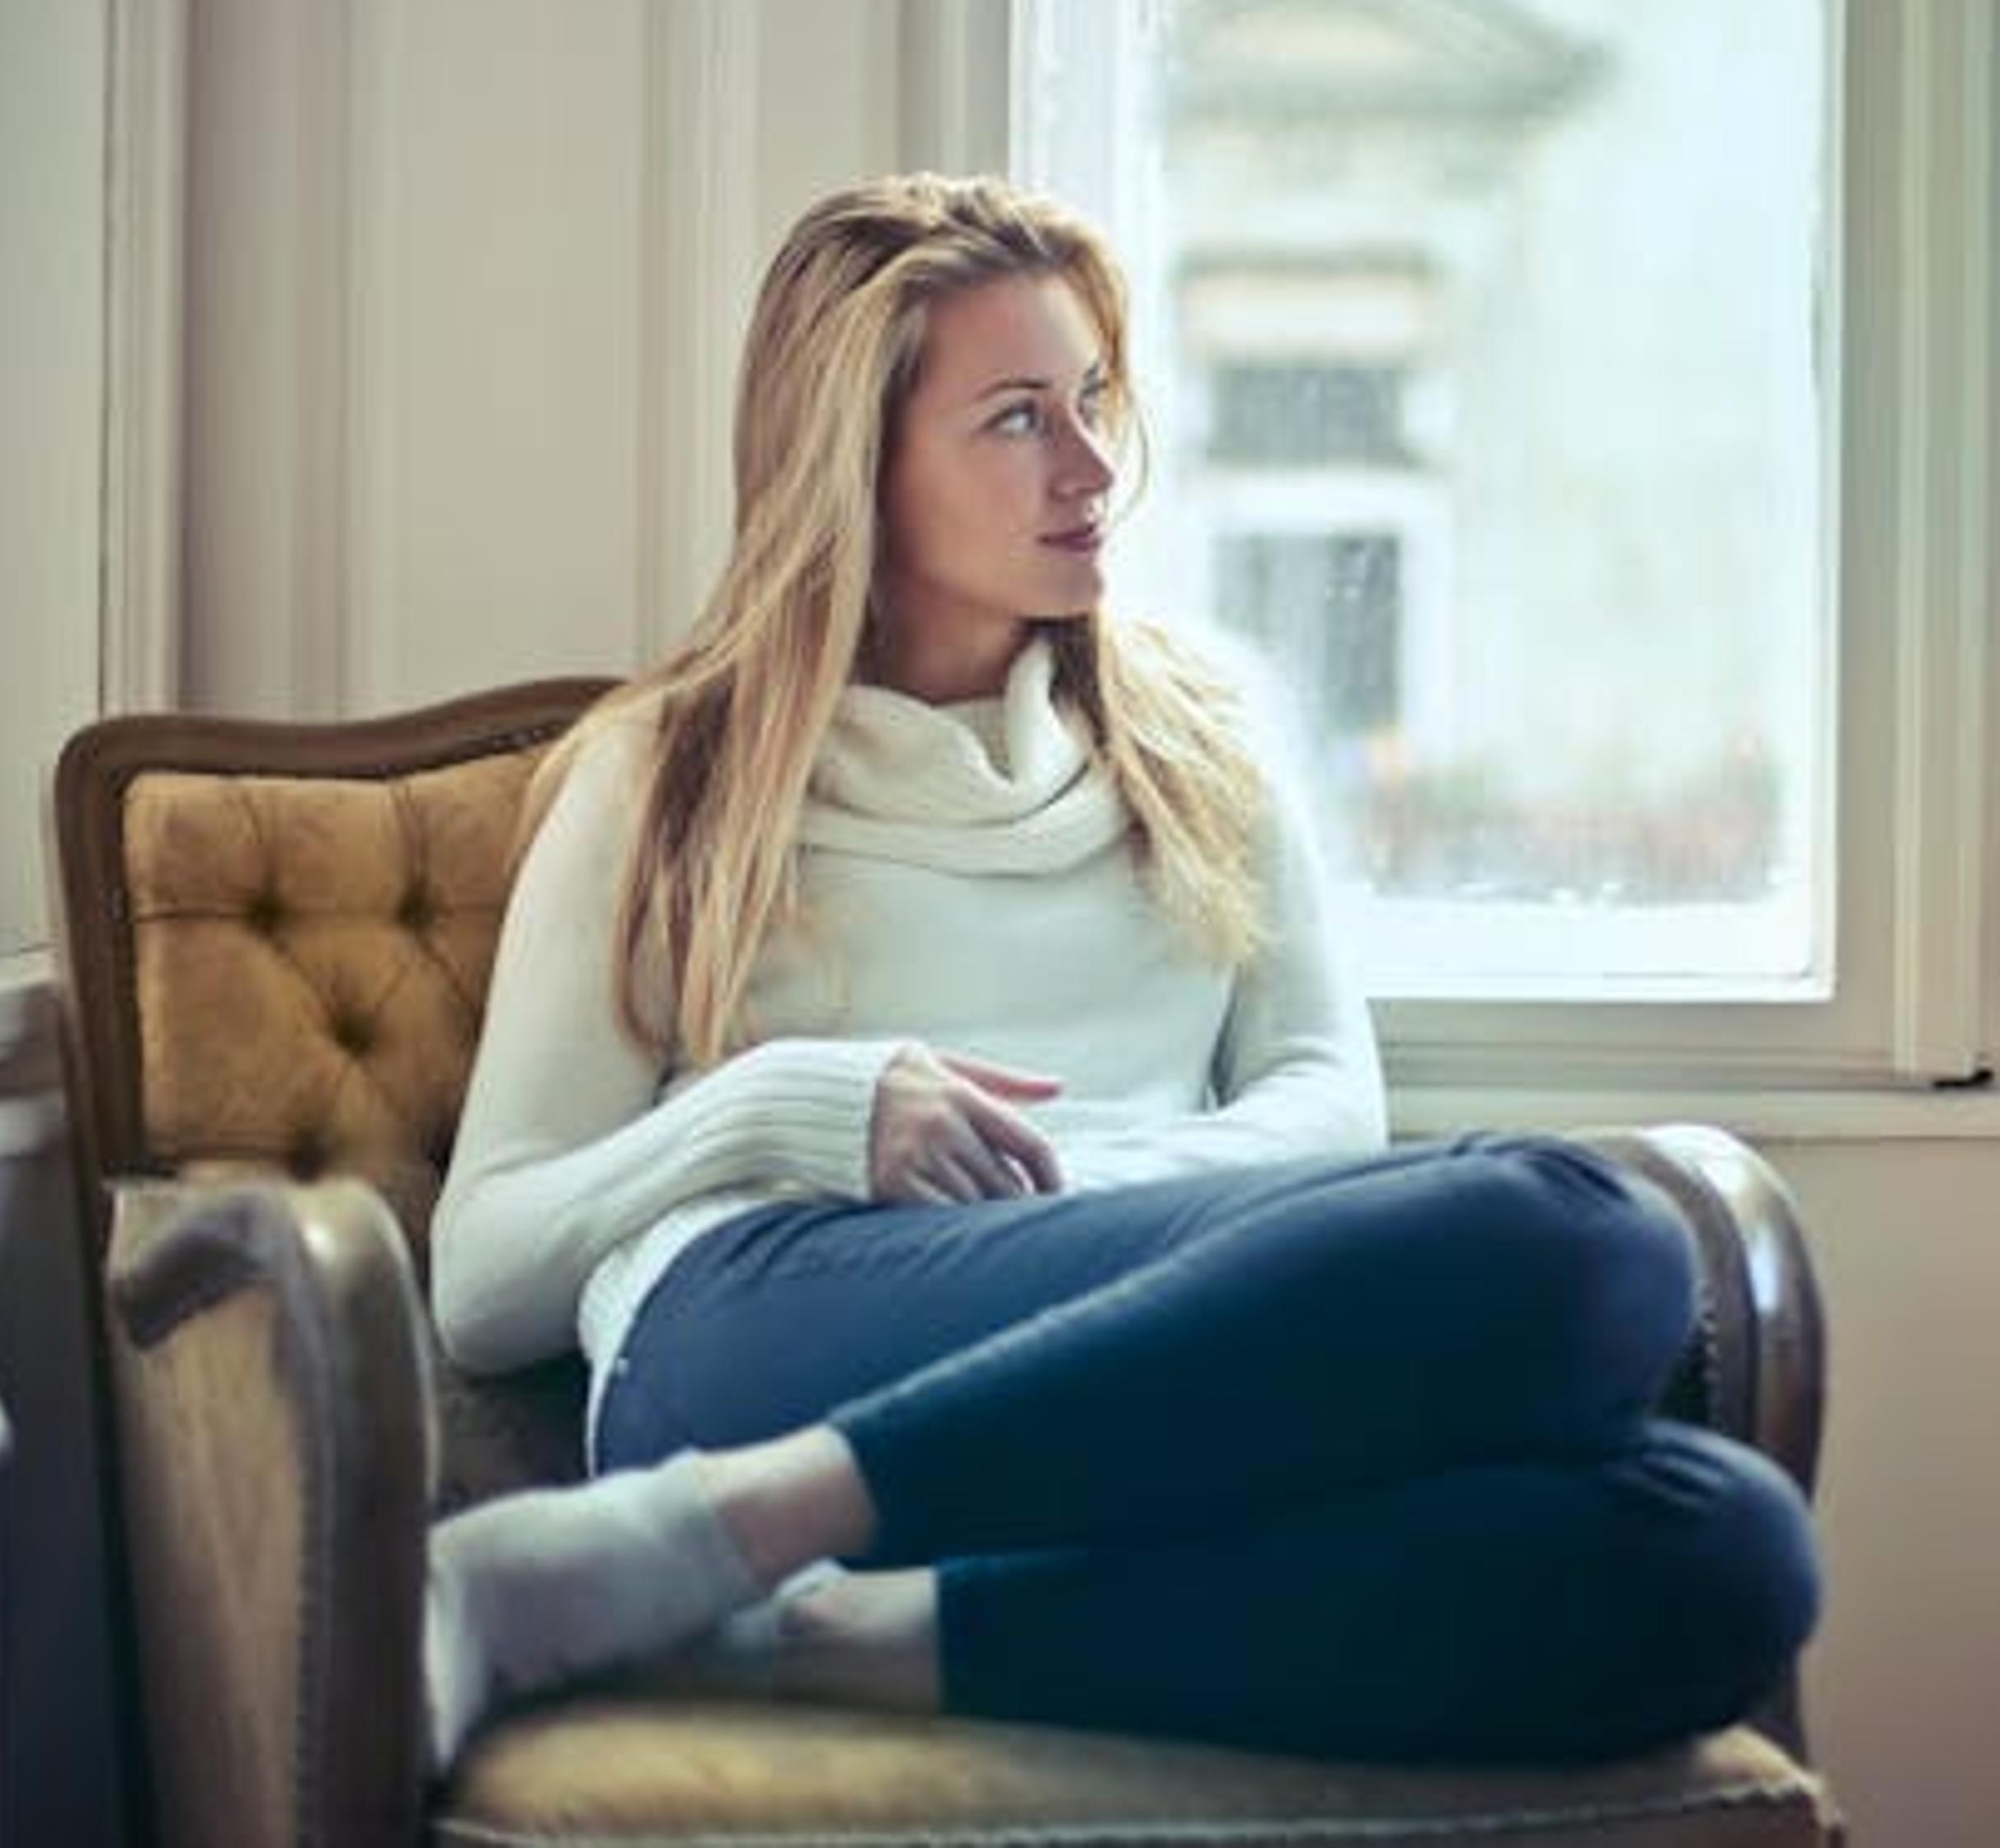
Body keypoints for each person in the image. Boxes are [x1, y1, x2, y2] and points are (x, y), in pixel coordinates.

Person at [419, 173, 1818, 1773]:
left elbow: (1321, 1099)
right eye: (1018, 419)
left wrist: (1095, 1189)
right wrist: (788, 1108)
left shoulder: (1200, 731)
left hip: (1143, 1326)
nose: (1091, 468)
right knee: (1580, 1235)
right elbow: (484, 1273)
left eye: (1091, 400)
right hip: (764, 1325)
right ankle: (719, 1518)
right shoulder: (668, 776)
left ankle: (804, 1626)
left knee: (1720, 1545)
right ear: (853, 472)